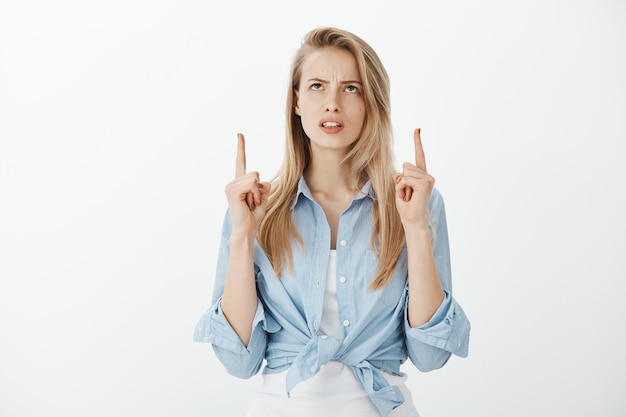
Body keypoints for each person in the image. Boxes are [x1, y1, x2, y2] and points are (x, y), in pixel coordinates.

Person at [193, 26, 470, 417]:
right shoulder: (255, 208)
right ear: (297, 101)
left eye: (351, 88)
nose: (333, 103)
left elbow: (429, 355)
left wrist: (417, 229)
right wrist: (242, 235)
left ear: (371, 101)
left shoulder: (415, 202)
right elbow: (239, 362)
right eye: (318, 86)